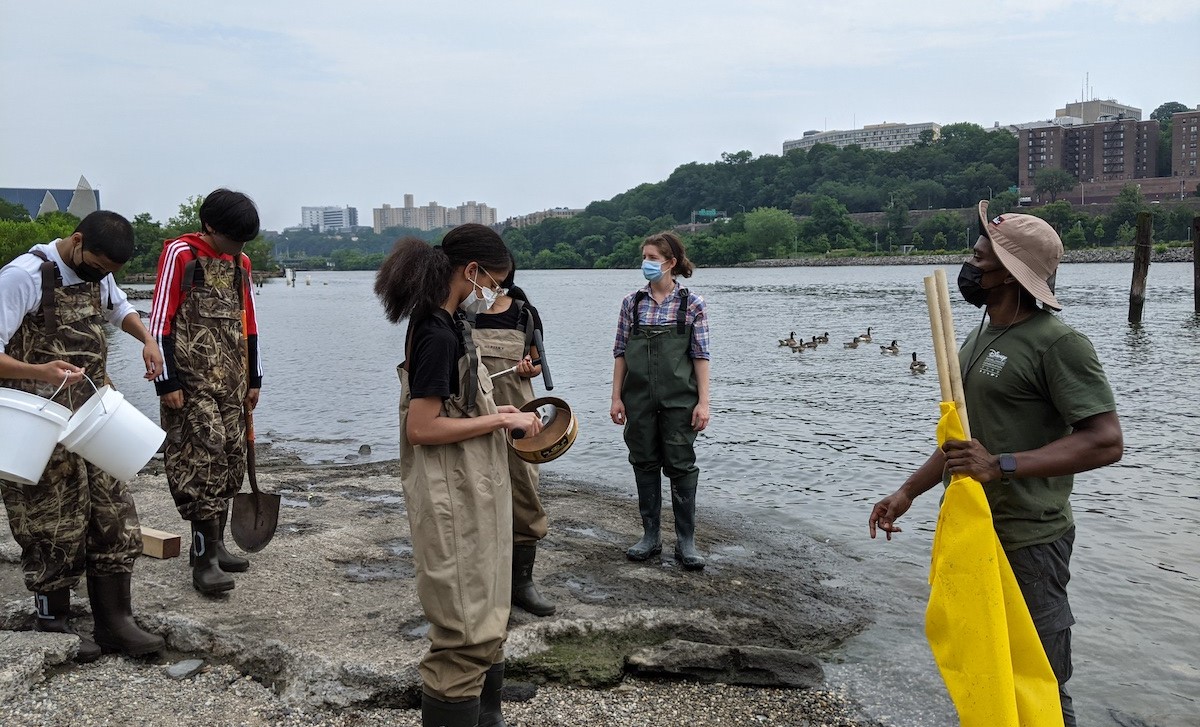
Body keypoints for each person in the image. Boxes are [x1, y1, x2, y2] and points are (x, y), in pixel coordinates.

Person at [867, 201, 1124, 726]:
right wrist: (907, 493)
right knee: (983, 664)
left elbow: (1105, 441)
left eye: (980, 257)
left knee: (1041, 678)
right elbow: (964, 443)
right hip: (977, 531)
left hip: (1031, 539)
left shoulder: (1059, 343)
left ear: (1011, 273)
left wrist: (1002, 466)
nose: (971, 264)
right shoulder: (980, 335)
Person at [375, 224, 542, 727]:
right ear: (471, 272)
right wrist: (505, 418)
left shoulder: (451, 324)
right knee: (464, 626)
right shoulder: (434, 332)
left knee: (489, 612)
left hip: (474, 485)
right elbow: (422, 427)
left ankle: (486, 716)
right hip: (451, 493)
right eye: (494, 281)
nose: (496, 293)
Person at [0, 210, 166, 661]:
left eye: (109, 272)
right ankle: (52, 620)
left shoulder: (98, 274)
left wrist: (147, 339)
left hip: (95, 416)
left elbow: (120, 309)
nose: (101, 277)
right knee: (50, 521)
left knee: (114, 512)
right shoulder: (22, 276)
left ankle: (115, 622)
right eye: (97, 266)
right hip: (37, 420)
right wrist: (39, 370)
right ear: (76, 242)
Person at [148, 189, 262, 595]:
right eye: (232, 238)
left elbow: (249, 322)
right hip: (191, 382)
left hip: (232, 380)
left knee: (231, 454)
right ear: (210, 226)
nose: (237, 247)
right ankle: (203, 560)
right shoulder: (181, 254)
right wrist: (167, 382)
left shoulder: (240, 262)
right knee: (201, 457)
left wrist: (255, 379)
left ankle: (218, 547)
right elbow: (160, 318)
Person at [610, 231, 711, 571]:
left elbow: (701, 356)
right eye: (645, 257)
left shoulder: (691, 304)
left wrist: (704, 403)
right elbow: (621, 353)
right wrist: (616, 399)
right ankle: (650, 536)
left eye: (652, 258)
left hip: (680, 399)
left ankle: (686, 541)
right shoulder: (631, 303)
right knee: (644, 461)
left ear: (670, 263)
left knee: (681, 464)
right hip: (637, 397)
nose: (646, 264)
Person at [471, 258, 556, 617]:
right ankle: (482, 584)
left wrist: (528, 367)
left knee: (523, 491)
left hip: (520, 416)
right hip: (474, 417)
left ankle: (522, 584)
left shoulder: (524, 312)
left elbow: (539, 363)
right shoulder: (463, 313)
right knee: (476, 492)